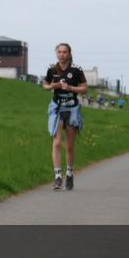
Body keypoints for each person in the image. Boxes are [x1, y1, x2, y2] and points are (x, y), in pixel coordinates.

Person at [42, 43, 87, 191]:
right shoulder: (52, 68)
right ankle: (57, 177)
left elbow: (84, 88)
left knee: (70, 145)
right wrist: (53, 86)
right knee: (56, 143)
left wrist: (71, 88)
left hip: (72, 109)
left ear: (69, 53)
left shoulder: (76, 70)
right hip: (57, 108)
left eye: (64, 52)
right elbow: (45, 85)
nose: (61, 54)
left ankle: (69, 173)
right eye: (59, 52)